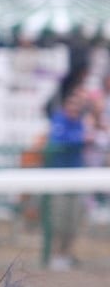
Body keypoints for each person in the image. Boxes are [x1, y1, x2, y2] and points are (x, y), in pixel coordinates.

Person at [44, 88, 91, 270]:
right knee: (59, 219)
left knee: (73, 220)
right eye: (72, 103)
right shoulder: (59, 120)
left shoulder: (78, 122)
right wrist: (80, 139)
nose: (74, 108)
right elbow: (60, 140)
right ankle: (56, 255)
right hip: (59, 179)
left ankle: (66, 254)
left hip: (76, 177)